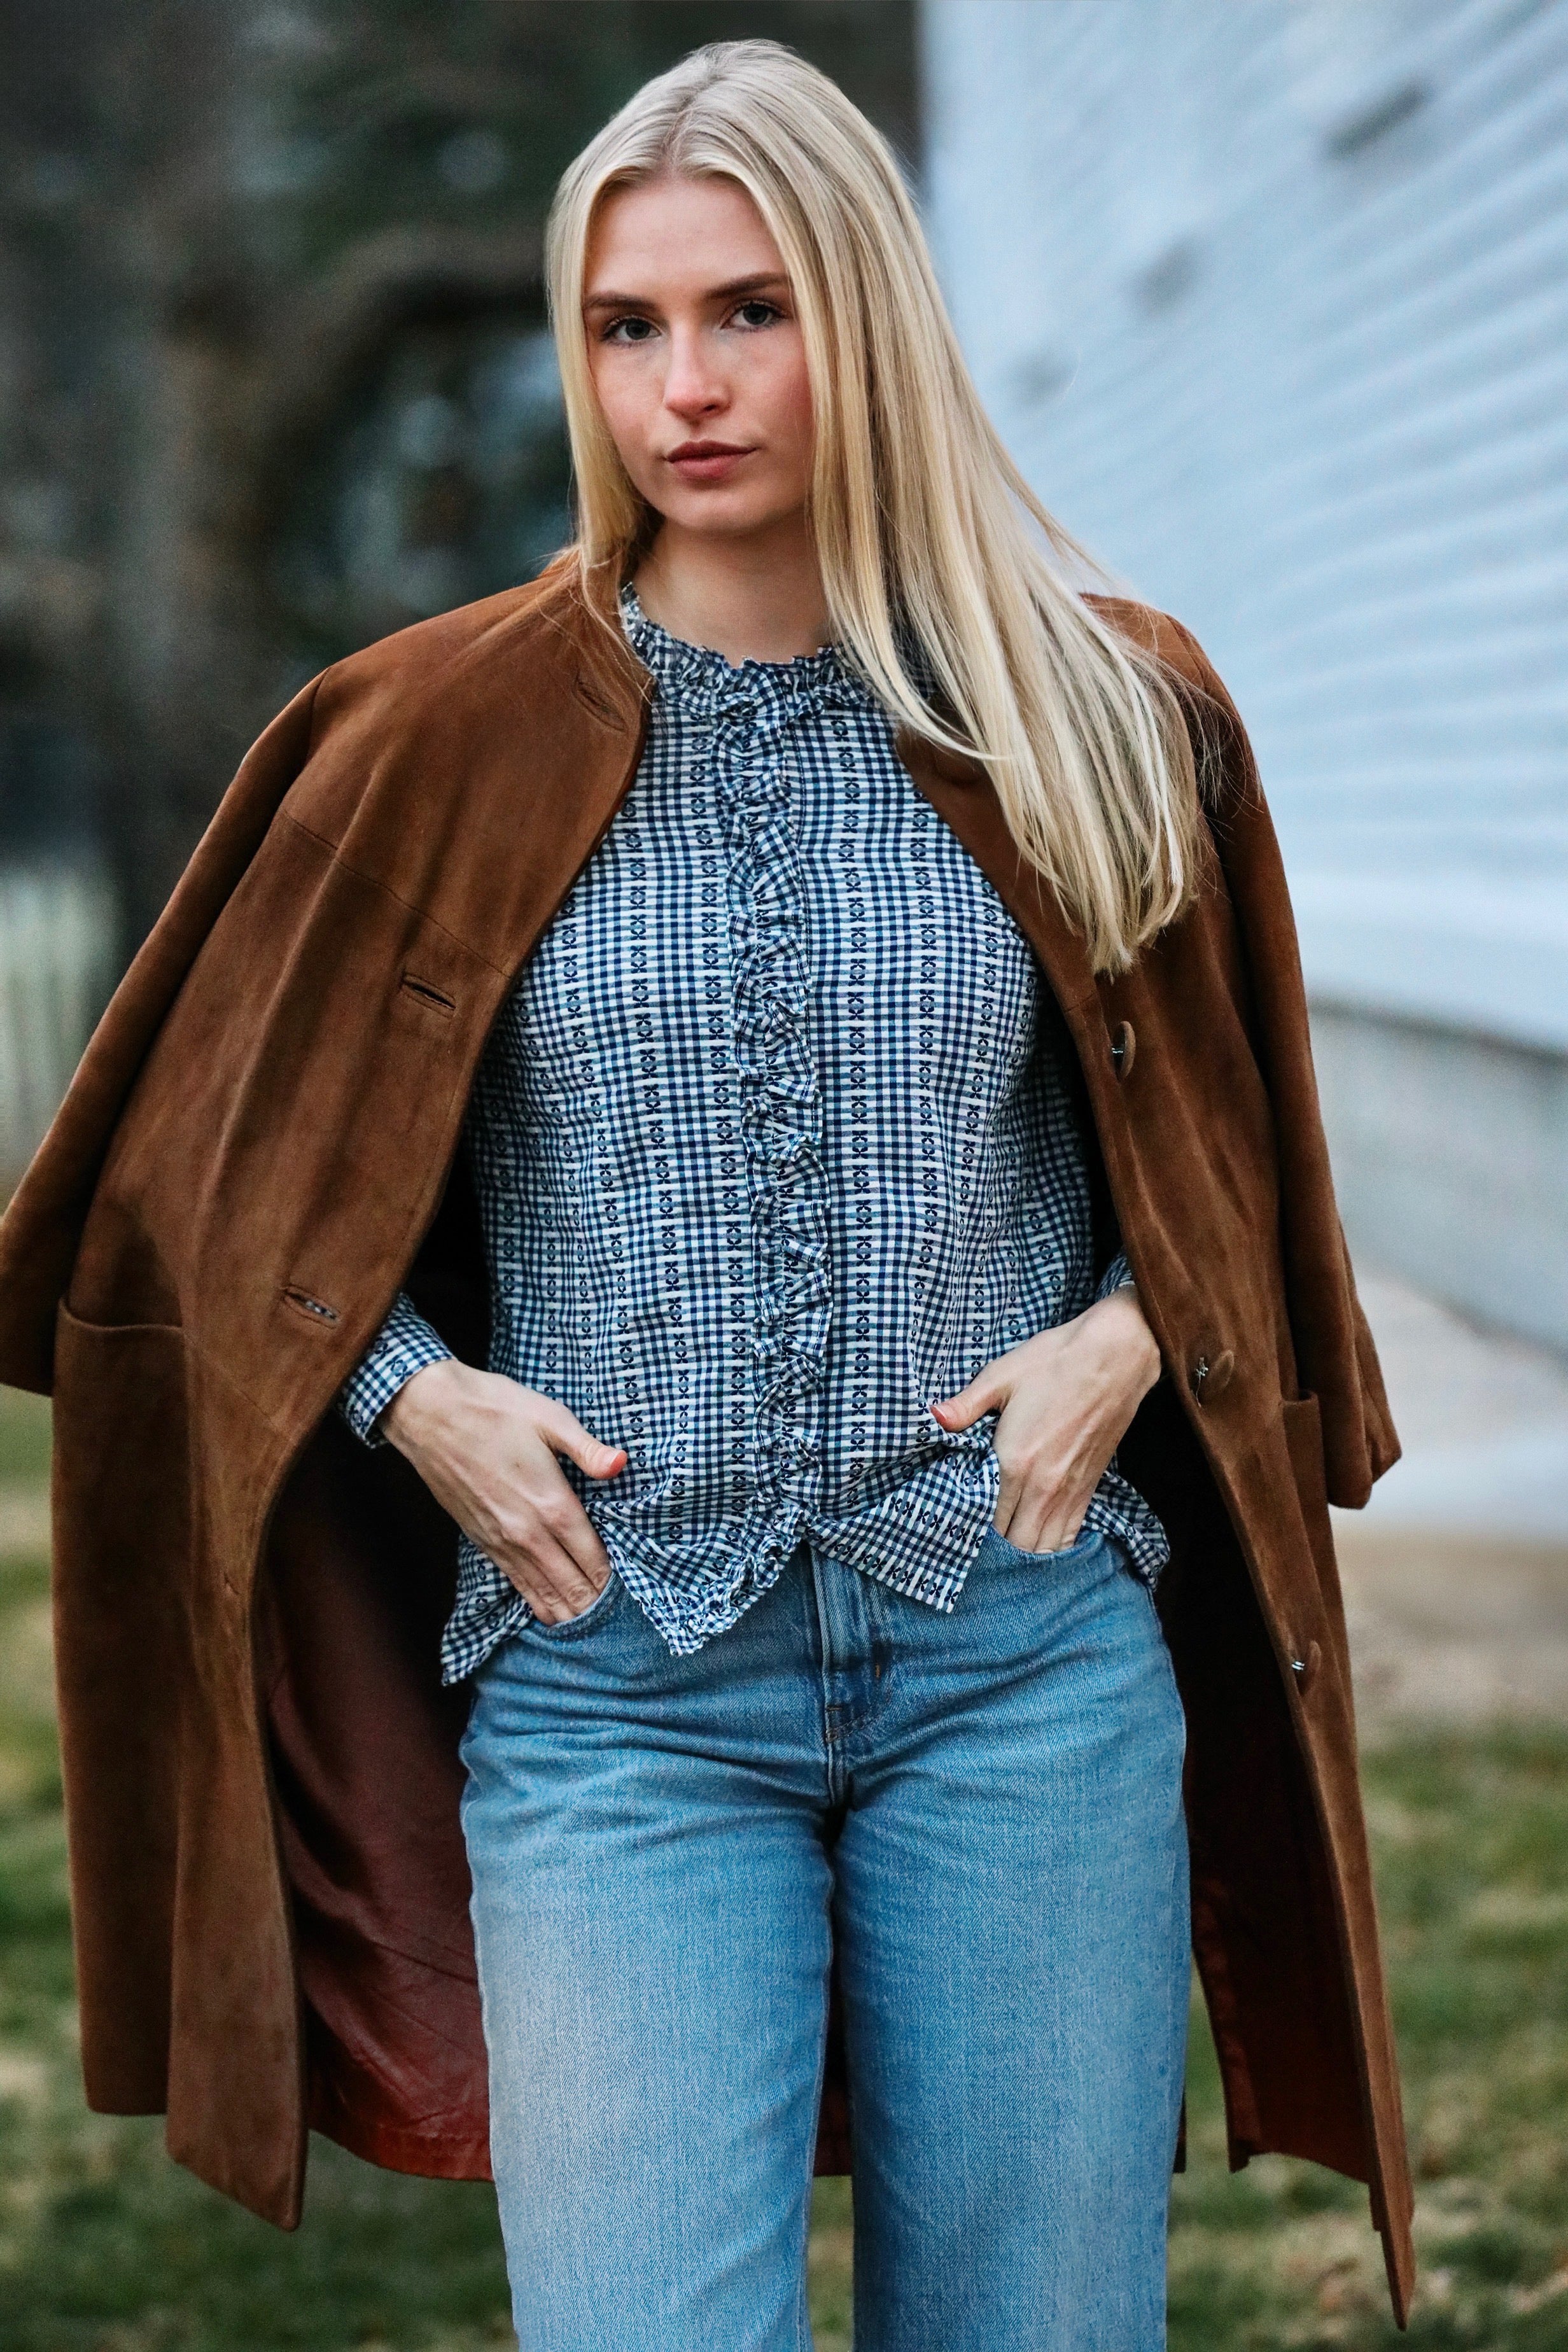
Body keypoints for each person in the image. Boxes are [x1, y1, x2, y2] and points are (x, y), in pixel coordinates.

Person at [0, 38, 1415, 2352]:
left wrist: (1133, 1331)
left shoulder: (1103, 710)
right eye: (626, 325)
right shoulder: (427, 733)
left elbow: (1237, 1152)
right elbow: (177, 1189)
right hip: (614, 1699)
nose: (686, 386)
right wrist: (410, 1392)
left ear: (871, 317)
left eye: (753, 310)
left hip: (1026, 1670)